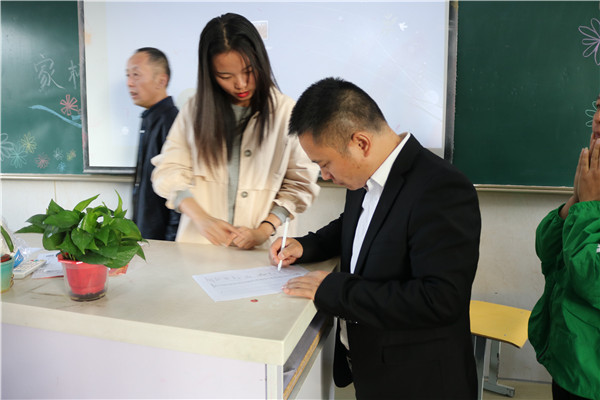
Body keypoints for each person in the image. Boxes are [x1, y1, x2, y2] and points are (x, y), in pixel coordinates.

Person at [270, 77, 481, 399]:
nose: (325, 176)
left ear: (361, 143)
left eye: (324, 164)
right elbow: (359, 225)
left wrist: (334, 289)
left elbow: (439, 299)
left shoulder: (442, 189)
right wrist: (307, 245)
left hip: (418, 381)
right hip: (372, 367)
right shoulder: (365, 176)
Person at [151, 13, 319, 249]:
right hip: (199, 247)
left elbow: (300, 184)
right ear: (210, 74)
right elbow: (168, 171)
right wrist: (202, 218)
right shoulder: (195, 110)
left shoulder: (286, 111)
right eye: (225, 76)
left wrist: (263, 231)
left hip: (263, 248)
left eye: (248, 71)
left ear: (260, 62)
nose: (240, 83)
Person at [528, 94, 600, 400]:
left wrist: (589, 206)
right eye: (598, 107)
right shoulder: (594, 183)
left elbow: (591, 279)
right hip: (568, 360)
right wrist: (575, 201)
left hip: (592, 378)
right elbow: (548, 252)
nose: (597, 119)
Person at [126, 47, 180, 241]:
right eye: (128, 75)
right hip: (149, 240)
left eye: (136, 75)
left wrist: (172, 246)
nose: (129, 82)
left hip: (163, 245)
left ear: (161, 80)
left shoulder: (172, 123)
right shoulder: (150, 118)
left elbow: (177, 192)